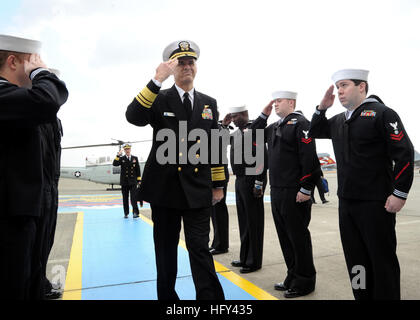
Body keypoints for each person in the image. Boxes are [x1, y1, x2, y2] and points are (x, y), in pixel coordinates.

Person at [125, 40, 225, 300]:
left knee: (200, 250)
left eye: (191, 61)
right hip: (165, 190)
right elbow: (133, 116)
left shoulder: (209, 103)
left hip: (198, 190)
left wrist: (218, 184)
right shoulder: (159, 98)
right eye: (181, 62)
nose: (187, 66)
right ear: (172, 67)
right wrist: (156, 79)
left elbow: (215, 144)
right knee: (166, 252)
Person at [310, 69, 414, 300]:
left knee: (381, 259)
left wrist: (399, 193)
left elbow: (404, 154)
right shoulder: (339, 120)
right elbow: (315, 130)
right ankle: (362, 296)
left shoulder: (382, 113)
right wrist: (322, 108)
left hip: (376, 202)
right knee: (356, 260)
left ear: (362, 86)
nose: (339, 91)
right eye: (337, 87)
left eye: (344, 85)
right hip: (347, 202)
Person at [0, 34, 68, 299]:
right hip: (9, 213)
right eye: (31, 63)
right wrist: (42, 73)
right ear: (14, 61)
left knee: (29, 276)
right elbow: (47, 101)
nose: (33, 72)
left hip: (28, 205)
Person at [264, 91, 320, 298]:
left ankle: (305, 281)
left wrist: (306, 188)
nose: (275, 104)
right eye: (274, 101)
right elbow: (253, 133)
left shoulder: (301, 124)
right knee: (285, 237)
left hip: (294, 191)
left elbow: (309, 157)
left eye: (279, 101)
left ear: (291, 102)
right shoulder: (276, 126)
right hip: (277, 190)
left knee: (298, 238)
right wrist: (264, 114)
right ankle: (292, 274)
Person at [222, 105, 269, 273]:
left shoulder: (254, 131)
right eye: (232, 117)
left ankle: (253, 261)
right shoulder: (236, 134)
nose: (234, 120)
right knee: (244, 220)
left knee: (254, 222)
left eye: (235, 117)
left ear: (244, 115)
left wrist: (259, 183)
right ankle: (244, 257)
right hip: (240, 180)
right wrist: (225, 125)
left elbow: (262, 158)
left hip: (252, 179)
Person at [112, 143, 141, 218]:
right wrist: (118, 155)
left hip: (133, 182)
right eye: (126, 149)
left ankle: (135, 212)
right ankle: (126, 213)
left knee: (133, 198)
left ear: (130, 149)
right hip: (124, 182)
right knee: (125, 198)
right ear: (124, 150)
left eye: (128, 149)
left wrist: (139, 180)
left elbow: (138, 170)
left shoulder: (135, 158)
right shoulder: (122, 159)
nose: (127, 150)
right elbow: (115, 164)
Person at [209, 164, 230, 255]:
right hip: (214, 178)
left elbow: (217, 157)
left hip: (217, 178)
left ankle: (221, 245)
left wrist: (218, 185)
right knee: (214, 213)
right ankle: (217, 243)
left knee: (218, 212)